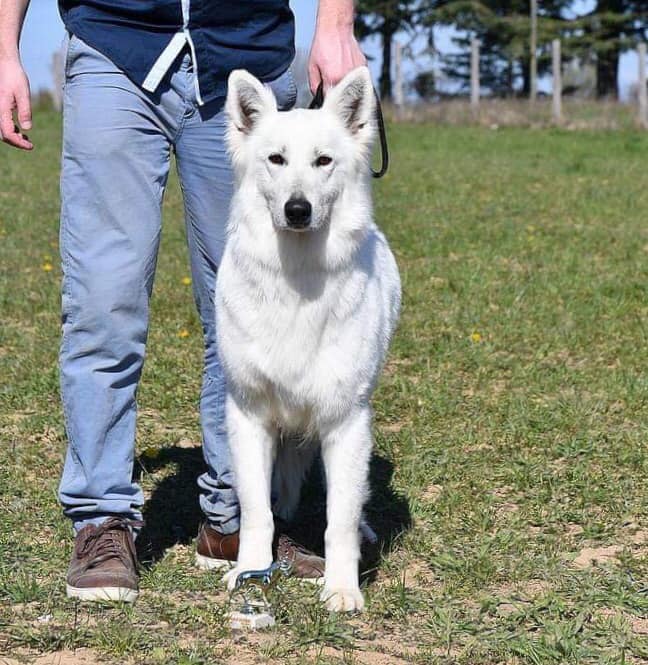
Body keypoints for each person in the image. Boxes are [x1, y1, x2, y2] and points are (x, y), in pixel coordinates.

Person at [0, 0, 367, 602]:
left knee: (258, 308)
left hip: (246, 49)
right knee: (102, 301)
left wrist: (335, 23)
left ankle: (237, 519)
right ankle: (101, 518)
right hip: (113, 45)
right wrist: (4, 47)